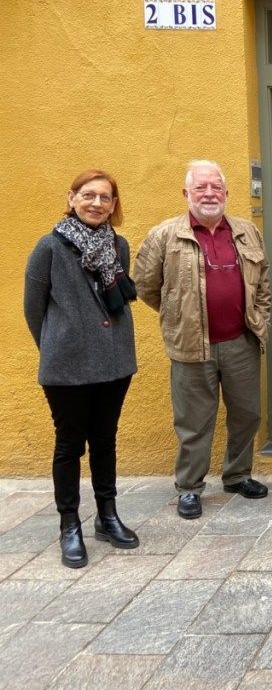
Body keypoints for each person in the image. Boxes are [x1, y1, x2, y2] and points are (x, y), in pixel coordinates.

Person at [135, 160, 271, 519]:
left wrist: (260, 321)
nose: (209, 194)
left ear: (226, 193)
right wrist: (179, 318)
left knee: (247, 414)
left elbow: (263, 285)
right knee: (194, 421)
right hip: (192, 345)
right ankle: (190, 487)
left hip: (241, 343)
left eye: (216, 187)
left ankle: (238, 475)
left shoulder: (245, 232)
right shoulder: (164, 235)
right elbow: (147, 287)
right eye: (201, 188)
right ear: (186, 194)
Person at [25, 169, 140, 567]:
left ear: (113, 204)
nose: (96, 203)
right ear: (71, 198)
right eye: (88, 195)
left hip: (114, 360)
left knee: (105, 439)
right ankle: (69, 524)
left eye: (105, 197)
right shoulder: (49, 247)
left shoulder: (118, 246)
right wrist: (59, 347)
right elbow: (34, 309)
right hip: (68, 367)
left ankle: (107, 516)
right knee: (70, 444)